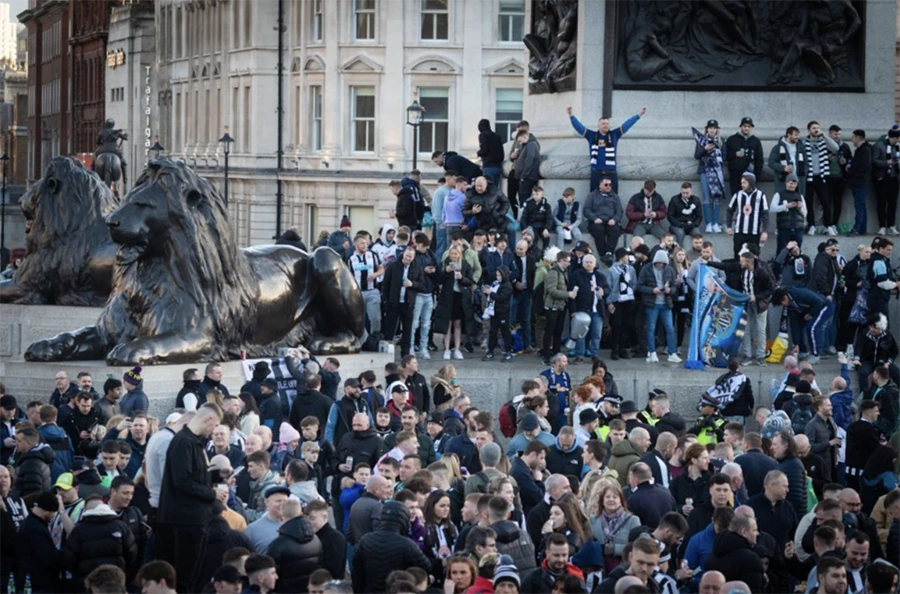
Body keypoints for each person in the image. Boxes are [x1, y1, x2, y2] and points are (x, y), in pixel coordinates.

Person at [156, 404, 222, 594]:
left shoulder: (193, 442)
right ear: (208, 419)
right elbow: (182, 481)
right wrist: (213, 494)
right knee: (183, 579)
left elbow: (196, 475)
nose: (213, 431)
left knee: (192, 578)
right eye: (214, 425)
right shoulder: (183, 442)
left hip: (194, 518)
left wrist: (218, 476)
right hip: (184, 521)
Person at [352, 501, 430, 594]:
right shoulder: (406, 544)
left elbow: (356, 568)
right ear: (403, 520)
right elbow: (426, 566)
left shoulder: (366, 540)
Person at [566, 105, 646, 192]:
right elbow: (579, 127)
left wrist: (639, 115)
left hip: (611, 173)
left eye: (607, 124)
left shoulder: (614, 134)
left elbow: (626, 125)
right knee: (594, 196)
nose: (605, 125)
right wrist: (571, 116)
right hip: (596, 173)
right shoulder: (591, 135)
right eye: (603, 123)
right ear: (598, 125)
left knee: (613, 196)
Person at [265, 498, 323, 593]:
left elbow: (270, 574)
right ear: (301, 513)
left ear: (281, 517)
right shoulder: (316, 539)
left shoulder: (277, 545)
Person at [638, 249, 681, 364]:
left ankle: (672, 353)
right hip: (652, 304)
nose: (660, 265)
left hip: (666, 303)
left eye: (663, 263)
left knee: (670, 328)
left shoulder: (669, 269)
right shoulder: (646, 269)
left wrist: (670, 290)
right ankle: (652, 352)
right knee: (651, 328)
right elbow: (639, 286)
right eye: (658, 263)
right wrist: (652, 290)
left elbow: (674, 286)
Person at [703, 514, 764, 593]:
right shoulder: (751, 559)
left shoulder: (712, 556)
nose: (757, 533)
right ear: (744, 532)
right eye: (754, 530)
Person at [19, 491, 64, 594]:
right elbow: (47, 558)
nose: (53, 516)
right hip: (39, 585)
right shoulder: (35, 529)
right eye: (53, 512)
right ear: (47, 510)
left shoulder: (31, 523)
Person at [773, 286, 830, 364]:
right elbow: (794, 325)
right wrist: (796, 344)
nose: (783, 305)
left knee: (811, 328)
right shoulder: (790, 306)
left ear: (784, 297)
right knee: (799, 326)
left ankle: (815, 354)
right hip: (809, 310)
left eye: (781, 303)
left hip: (824, 306)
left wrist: (810, 314)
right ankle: (803, 351)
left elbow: (819, 302)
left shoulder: (798, 293)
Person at [540, 251, 576, 366]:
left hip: (560, 306)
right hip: (552, 306)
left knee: (558, 331)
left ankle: (556, 355)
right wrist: (568, 294)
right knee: (550, 331)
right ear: (560, 260)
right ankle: (546, 356)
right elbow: (552, 290)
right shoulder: (553, 272)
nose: (568, 264)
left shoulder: (563, 272)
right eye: (567, 261)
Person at [726, 173, 769, 258]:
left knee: (754, 257)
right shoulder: (738, 195)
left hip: (754, 233)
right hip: (739, 232)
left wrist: (765, 231)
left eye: (744, 182)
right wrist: (729, 226)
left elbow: (765, 214)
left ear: (751, 182)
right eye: (741, 183)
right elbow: (729, 210)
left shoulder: (760, 195)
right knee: (738, 257)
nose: (742, 185)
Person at [584, 178, 624, 261]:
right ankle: (602, 254)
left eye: (610, 184)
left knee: (615, 230)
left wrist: (614, 219)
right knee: (598, 231)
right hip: (597, 221)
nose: (608, 186)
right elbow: (586, 209)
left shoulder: (615, 197)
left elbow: (619, 211)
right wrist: (594, 218)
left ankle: (609, 253)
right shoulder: (592, 196)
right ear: (600, 185)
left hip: (611, 221)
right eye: (606, 185)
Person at [725, 117, 765, 196]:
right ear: (741, 127)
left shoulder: (756, 141)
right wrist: (735, 154)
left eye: (749, 126)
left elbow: (759, 159)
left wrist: (757, 175)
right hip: (735, 175)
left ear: (751, 128)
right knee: (736, 197)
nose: (746, 128)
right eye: (745, 126)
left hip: (750, 174)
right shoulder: (732, 139)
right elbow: (725, 155)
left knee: (749, 198)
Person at [872, 126, 900, 235]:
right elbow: (874, 161)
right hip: (882, 177)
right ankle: (882, 225)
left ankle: (891, 225)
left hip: (894, 177)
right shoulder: (879, 145)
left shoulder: (897, 146)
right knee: (882, 202)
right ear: (895, 137)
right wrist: (887, 163)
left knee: (893, 202)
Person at [770, 174, 809, 253]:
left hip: (798, 228)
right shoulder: (779, 194)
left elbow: (805, 213)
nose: (793, 185)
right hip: (784, 228)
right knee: (782, 251)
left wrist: (800, 207)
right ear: (786, 183)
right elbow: (772, 208)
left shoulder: (800, 196)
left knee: (797, 252)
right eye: (791, 183)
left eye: (795, 184)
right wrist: (786, 206)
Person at [848, 129, 872, 235]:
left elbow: (864, 167)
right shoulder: (861, 150)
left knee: (859, 206)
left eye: (853, 137)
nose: (852, 139)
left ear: (858, 137)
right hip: (859, 182)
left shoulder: (865, 150)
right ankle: (862, 229)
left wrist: (852, 171)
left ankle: (857, 228)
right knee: (861, 206)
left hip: (860, 183)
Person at [514, 131, 542, 210]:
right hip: (528, 176)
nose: (520, 143)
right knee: (524, 198)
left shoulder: (531, 145)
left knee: (524, 199)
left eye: (520, 140)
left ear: (524, 137)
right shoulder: (528, 145)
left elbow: (529, 160)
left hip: (528, 177)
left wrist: (523, 176)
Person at [478, 119, 504, 188]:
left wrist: (479, 153)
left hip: (489, 165)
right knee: (495, 189)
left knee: (488, 188)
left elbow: (484, 150)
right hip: (498, 166)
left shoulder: (483, 135)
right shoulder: (497, 136)